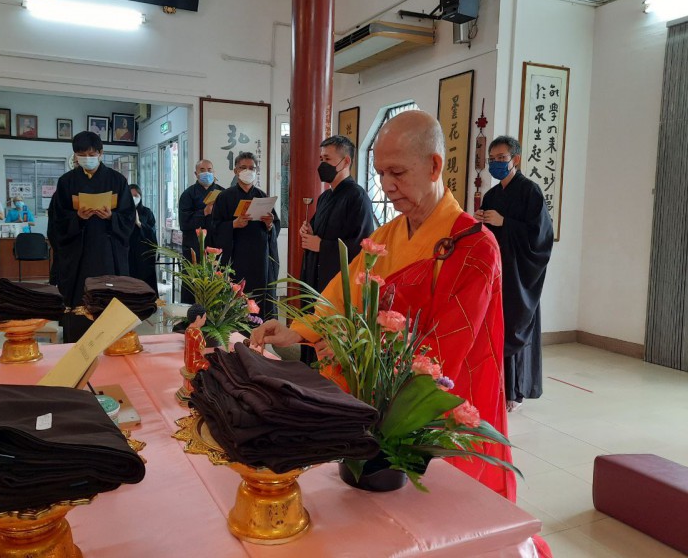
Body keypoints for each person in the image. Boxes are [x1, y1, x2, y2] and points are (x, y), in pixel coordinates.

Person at [251, 111, 514, 500]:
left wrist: (364, 371)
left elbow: (444, 350)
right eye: (380, 173)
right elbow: (343, 296)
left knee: (445, 508)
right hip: (381, 395)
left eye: (398, 172)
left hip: (438, 399)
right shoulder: (388, 234)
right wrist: (298, 331)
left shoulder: (474, 247)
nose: (387, 185)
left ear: (434, 166)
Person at [475, 136, 554, 413]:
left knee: (514, 326)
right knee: (495, 326)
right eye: (492, 159)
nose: (496, 163)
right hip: (497, 272)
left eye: (501, 158)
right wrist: (480, 223)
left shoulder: (530, 191)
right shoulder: (492, 195)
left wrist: (505, 222)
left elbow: (540, 236)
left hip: (519, 275)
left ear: (515, 159)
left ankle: (515, 390)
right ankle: (496, 384)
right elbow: (487, 235)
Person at [48, 131, 135, 341]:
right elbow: (57, 220)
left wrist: (112, 217)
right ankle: (76, 345)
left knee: (108, 300)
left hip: (108, 252)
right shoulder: (66, 182)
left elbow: (129, 217)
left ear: (100, 153)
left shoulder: (117, 180)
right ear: (75, 155)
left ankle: (111, 343)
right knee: (79, 302)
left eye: (91, 154)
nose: (87, 158)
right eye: (81, 154)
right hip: (77, 253)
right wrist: (77, 217)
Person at [298, 135, 374, 365]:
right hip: (315, 277)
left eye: (328, 159)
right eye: (321, 159)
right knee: (311, 332)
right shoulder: (325, 197)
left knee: (329, 348)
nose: (322, 164)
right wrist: (308, 230)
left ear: (346, 161)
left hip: (335, 282)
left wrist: (321, 246)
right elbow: (319, 232)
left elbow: (361, 245)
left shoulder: (357, 197)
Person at [212, 152, 280, 319]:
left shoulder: (262, 196)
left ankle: (261, 327)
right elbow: (214, 227)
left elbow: (275, 226)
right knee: (237, 295)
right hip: (236, 257)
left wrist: (269, 224)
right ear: (236, 171)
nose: (248, 171)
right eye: (243, 168)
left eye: (252, 168)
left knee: (261, 295)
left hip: (260, 258)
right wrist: (233, 224)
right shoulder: (224, 197)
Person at [178, 159, 224, 303]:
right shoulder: (188, 194)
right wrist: (204, 212)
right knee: (193, 283)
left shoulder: (223, 193)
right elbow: (184, 222)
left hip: (216, 244)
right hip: (194, 246)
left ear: (214, 172)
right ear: (196, 173)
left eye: (209, 170)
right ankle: (191, 313)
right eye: (202, 170)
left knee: (216, 283)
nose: (206, 173)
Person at [128, 184, 160, 294]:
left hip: (144, 254)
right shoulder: (122, 212)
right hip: (127, 253)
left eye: (136, 195)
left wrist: (139, 223)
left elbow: (152, 232)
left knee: (145, 283)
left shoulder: (147, 212)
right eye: (131, 196)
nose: (133, 198)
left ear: (140, 196)